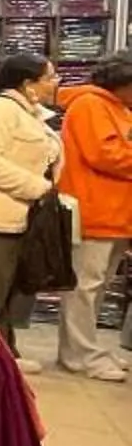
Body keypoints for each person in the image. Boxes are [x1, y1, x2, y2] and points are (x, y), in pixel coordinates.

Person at [0, 52, 61, 362]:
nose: (56, 82)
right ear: (28, 83)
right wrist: (38, 187)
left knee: (3, 291)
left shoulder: (30, 113)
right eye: (50, 77)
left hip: (15, 216)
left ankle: (2, 355)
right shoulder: (0, 109)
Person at [59, 54, 132, 383]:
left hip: (114, 213)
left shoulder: (115, 108)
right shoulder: (90, 104)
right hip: (95, 210)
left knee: (95, 287)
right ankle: (80, 356)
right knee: (85, 288)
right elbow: (105, 154)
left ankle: (86, 350)